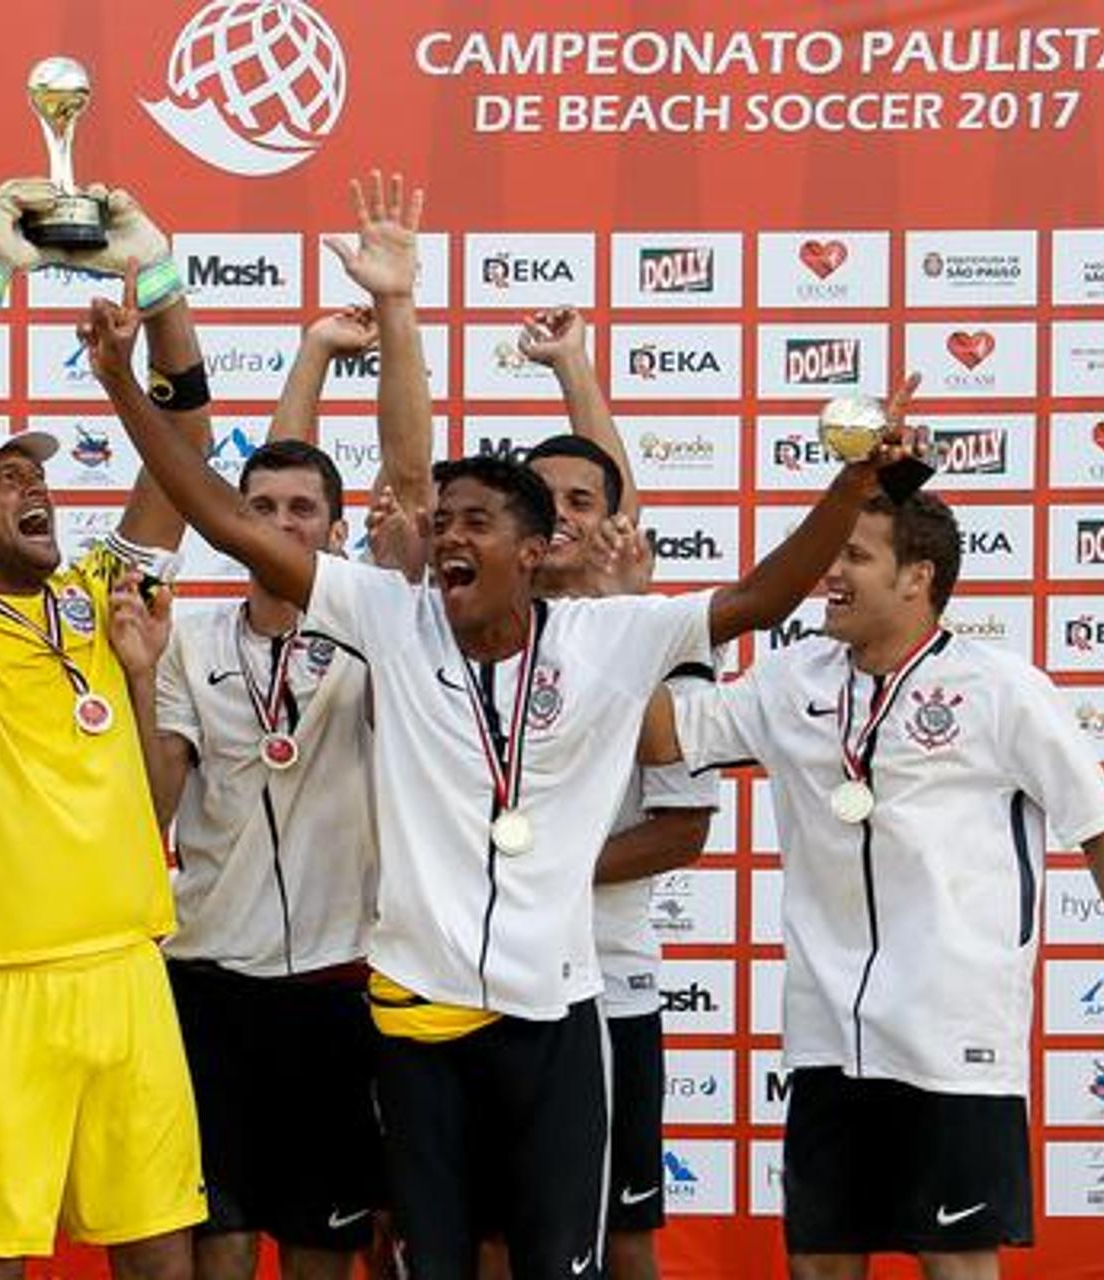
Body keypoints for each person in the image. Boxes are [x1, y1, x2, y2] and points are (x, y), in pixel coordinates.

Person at [77, 247, 922, 1277]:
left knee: (558, 1263)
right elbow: (220, 512)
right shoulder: (392, 617)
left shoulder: (612, 638)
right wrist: (123, 385)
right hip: (416, 1025)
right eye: (445, 524)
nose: (449, 542)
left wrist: (853, 483)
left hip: (555, 1027)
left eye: (478, 523)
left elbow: (761, 596)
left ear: (533, 549)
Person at [644, 489, 1104, 1280]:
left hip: (951, 1033)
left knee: (954, 1264)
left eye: (855, 556)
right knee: (821, 1263)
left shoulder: (1001, 687)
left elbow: (1101, 829)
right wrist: (613, 621)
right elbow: (662, 737)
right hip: (826, 1032)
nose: (831, 572)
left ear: (916, 577)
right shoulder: (792, 679)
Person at [0, 178, 208, 1277]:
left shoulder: (101, 594)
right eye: (7, 476)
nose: (37, 487)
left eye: (42, 474)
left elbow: (185, 450)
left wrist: (158, 285)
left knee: (162, 1259)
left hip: (127, 973)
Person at [139, 177, 420, 1280]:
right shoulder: (186, 640)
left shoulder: (378, 626)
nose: (283, 525)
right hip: (207, 975)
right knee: (220, 1237)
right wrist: (133, 674)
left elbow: (409, 479)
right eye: (261, 508)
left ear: (341, 532)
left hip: (342, 983)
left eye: (307, 512)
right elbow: (156, 807)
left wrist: (357, 332)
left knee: (322, 1242)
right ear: (234, 523)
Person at [516, 315, 718, 1280]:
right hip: (479, 978)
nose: (561, 517)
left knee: (624, 1233)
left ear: (613, 521)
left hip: (611, 979)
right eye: (541, 499)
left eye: (582, 501)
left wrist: (573, 371)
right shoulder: (468, 625)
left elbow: (682, 832)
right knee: (483, 1229)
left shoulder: (661, 640)